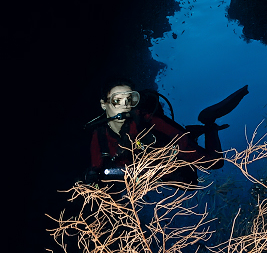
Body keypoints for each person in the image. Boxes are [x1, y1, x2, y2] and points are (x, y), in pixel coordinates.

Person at [85, 78, 249, 186]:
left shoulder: (146, 119)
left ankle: (209, 123)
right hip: (150, 175)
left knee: (214, 163)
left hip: (172, 155)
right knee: (188, 184)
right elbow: (96, 168)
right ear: (103, 104)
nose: (125, 105)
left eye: (130, 99)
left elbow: (179, 139)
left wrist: (187, 148)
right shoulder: (98, 134)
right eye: (117, 100)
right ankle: (195, 133)